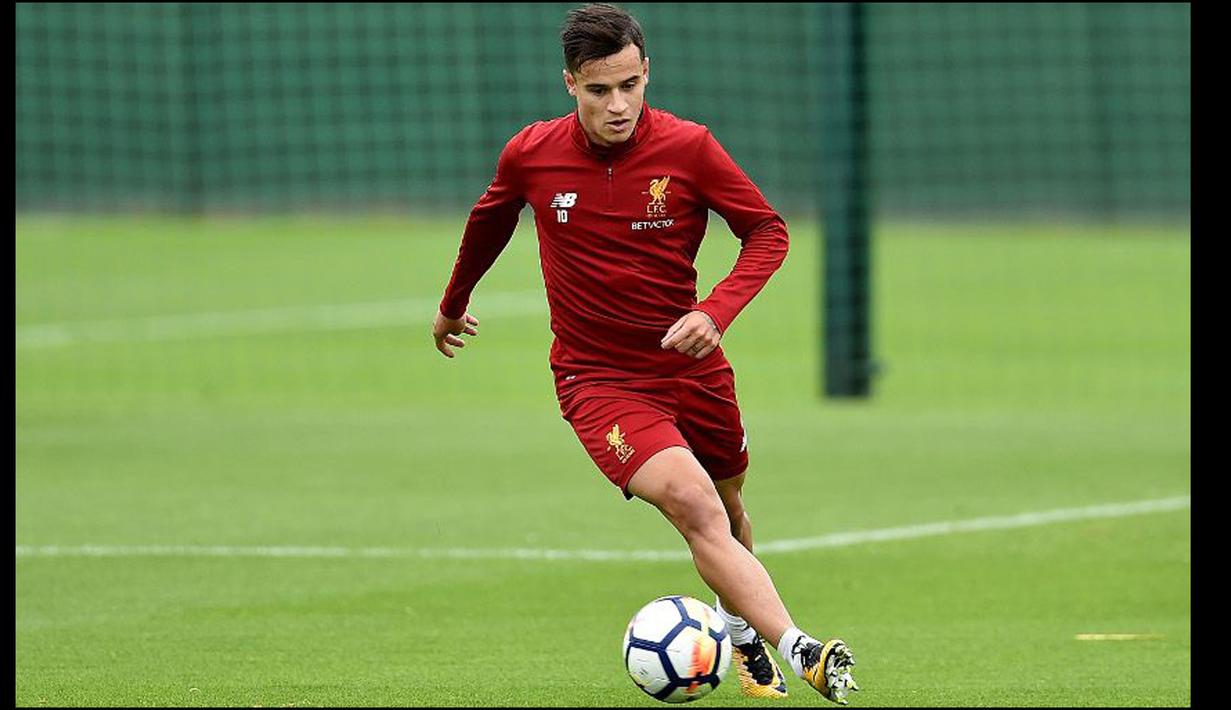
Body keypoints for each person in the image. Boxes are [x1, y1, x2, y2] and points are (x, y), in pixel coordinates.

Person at [432, 3, 857, 703]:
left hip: (692, 369)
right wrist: (452, 303)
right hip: (599, 379)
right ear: (569, 83)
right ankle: (800, 648)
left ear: (646, 72)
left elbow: (766, 232)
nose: (618, 104)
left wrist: (712, 312)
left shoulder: (689, 148)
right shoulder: (530, 153)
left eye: (630, 85)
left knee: (726, 506)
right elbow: (488, 222)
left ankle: (741, 635)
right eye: (599, 90)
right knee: (694, 505)